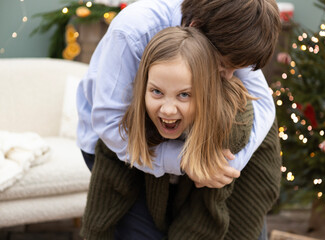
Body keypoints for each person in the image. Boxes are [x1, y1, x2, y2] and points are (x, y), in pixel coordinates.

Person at [80, 27, 281, 240]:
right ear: (143, 86)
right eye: (157, 91)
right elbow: (110, 178)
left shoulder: (228, 125)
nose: (167, 109)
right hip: (174, 183)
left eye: (184, 95)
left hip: (243, 186)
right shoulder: (138, 111)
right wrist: (94, 234)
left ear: (206, 94)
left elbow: (206, 212)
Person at [76, 0, 281, 188]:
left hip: (179, 143)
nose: (229, 77)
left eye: (237, 68)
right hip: (118, 147)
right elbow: (109, 123)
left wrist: (221, 166)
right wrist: (185, 162)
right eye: (222, 66)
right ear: (195, 28)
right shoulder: (133, 31)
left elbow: (263, 102)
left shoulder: (229, 42)